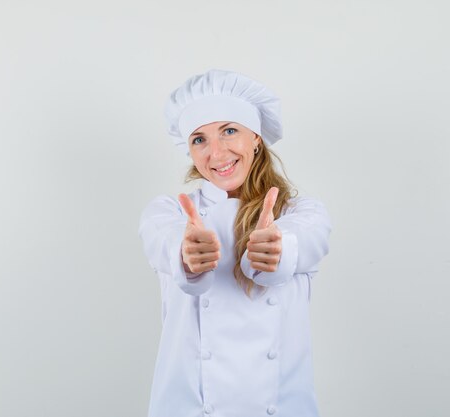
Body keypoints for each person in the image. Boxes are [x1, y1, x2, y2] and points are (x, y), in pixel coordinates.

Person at [138, 69, 332, 417]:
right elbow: (162, 239)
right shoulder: (169, 213)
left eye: (229, 130)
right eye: (199, 139)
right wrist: (186, 253)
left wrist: (275, 249)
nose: (217, 152)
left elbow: (305, 238)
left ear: (256, 137)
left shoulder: (302, 213)